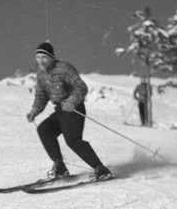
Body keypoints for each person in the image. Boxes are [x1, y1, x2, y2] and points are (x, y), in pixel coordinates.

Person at [26, 41, 112, 181]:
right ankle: (59, 166)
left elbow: (80, 86)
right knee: (44, 129)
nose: (40, 61)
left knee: (72, 140)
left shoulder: (64, 68)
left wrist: (72, 101)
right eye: (38, 57)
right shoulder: (41, 74)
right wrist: (34, 111)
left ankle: (100, 169)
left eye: (44, 57)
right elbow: (41, 96)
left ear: (51, 57)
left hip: (74, 108)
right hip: (60, 110)